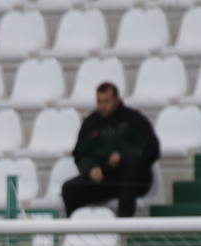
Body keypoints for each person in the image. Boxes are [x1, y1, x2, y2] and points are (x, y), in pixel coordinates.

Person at [62, 82, 161, 218]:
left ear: (117, 100)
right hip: (105, 178)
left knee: (128, 181)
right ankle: (76, 232)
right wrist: (91, 169)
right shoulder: (91, 123)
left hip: (134, 179)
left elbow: (152, 150)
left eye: (106, 101)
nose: (102, 106)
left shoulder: (134, 119)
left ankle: (122, 231)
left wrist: (123, 157)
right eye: (99, 101)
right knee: (70, 189)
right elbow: (80, 153)